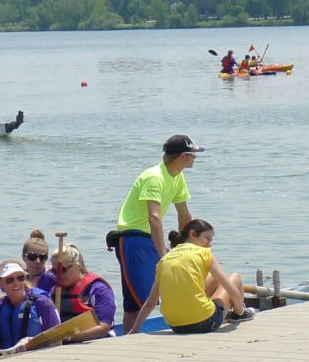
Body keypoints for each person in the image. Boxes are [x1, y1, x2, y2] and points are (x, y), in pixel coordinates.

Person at [113, 134, 202, 321]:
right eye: (193, 154)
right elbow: (154, 217)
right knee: (137, 298)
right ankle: (130, 339)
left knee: (161, 290)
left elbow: (184, 214)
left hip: (150, 238)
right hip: (133, 237)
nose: (195, 158)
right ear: (182, 156)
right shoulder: (154, 177)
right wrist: (163, 254)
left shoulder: (177, 177)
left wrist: (188, 247)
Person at [127, 219, 255, 335]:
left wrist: (135, 328)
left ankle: (199, 307)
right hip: (205, 322)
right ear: (193, 234)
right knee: (234, 277)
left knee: (211, 276)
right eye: (207, 238)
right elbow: (231, 289)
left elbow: (150, 302)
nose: (210, 244)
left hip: (175, 325)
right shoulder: (204, 253)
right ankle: (240, 314)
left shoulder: (165, 259)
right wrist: (238, 309)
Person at [0, 260, 61, 356]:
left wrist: (31, 340)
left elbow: (57, 339)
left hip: (38, 357)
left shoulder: (42, 302)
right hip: (5, 361)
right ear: (0, 283)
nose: (16, 283)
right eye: (10, 280)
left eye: (20, 278)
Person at [50, 243, 117, 344]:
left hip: (97, 343)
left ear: (77, 266)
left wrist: (67, 337)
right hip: (64, 344)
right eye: (55, 272)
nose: (59, 276)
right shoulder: (55, 291)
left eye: (62, 270)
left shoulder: (98, 289)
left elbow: (104, 327)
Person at [20, 229, 55, 294]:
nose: (38, 261)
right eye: (32, 257)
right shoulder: (19, 278)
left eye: (42, 257)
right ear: (24, 257)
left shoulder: (50, 278)